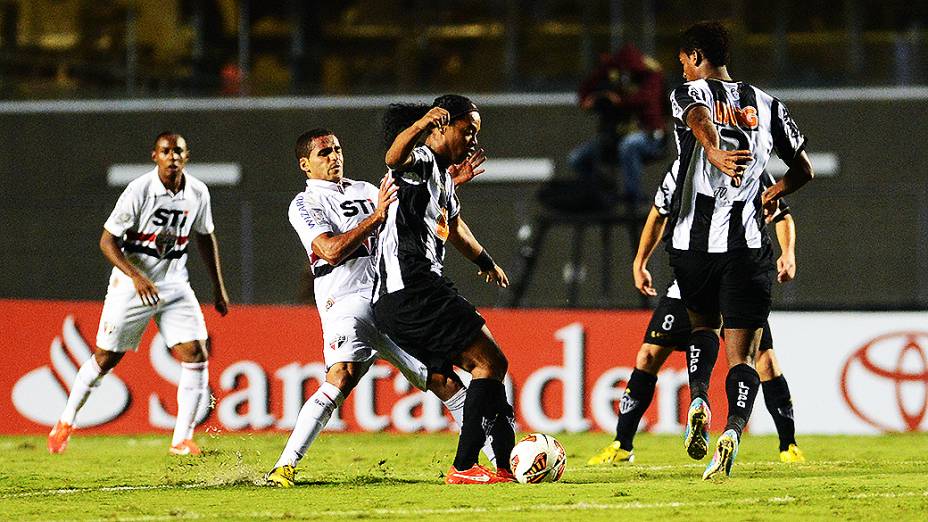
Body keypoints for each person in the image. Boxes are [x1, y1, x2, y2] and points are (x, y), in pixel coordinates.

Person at [265, 129, 492, 487]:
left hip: (389, 299)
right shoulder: (304, 204)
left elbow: (415, 211)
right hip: (345, 301)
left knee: (445, 381)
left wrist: (446, 183)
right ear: (305, 164)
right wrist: (376, 217)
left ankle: (500, 464)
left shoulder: (368, 191)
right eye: (325, 152)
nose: (335, 156)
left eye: (338, 148)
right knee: (340, 378)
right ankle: (284, 466)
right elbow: (329, 250)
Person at [664, 21, 814, 480]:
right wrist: (772, 193)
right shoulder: (768, 105)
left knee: (703, 327)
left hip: (692, 245)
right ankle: (731, 431)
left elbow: (697, 117)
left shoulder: (687, 91)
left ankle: (699, 401)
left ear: (694, 56)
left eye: (684, 61)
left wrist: (711, 150)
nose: (684, 70)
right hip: (748, 247)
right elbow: (803, 169)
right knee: (744, 356)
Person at [588, 170, 805, 466]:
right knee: (649, 356)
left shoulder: (751, 165)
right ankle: (622, 444)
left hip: (728, 277)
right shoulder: (684, 169)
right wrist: (640, 261)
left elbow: (782, 215)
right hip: (702, 282)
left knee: (764, 361)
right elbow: (658, 212)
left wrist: (788, 252)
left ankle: (787, 445)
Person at [47, 131, 230, 456]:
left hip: (174, 284)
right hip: (131, 287)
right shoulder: (140, 190)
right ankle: (66, 420)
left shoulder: (198, 192)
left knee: (196, 352)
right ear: (155, 156)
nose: (172, 156)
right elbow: (107, 240)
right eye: (166, 151)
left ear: (186, 157)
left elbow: (205, 236)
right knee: (106, 358)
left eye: (178, 151)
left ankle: (181, 439)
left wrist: (218, 286)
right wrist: (136, 276)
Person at [375, 95, 516, 485]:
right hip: (413, 290)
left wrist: (485, 261)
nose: (472, 140)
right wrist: (421, 124)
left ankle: (505, 464)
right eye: (467, 131)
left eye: (476, 133)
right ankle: (465, 465)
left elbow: (454, 228)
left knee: (481, 372)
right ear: (441, 127)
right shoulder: (418, 162)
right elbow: (393, 157)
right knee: (490, 362)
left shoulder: (440, 177)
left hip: (411, 295)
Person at [565, 43, 667, 208]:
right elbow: (585, 90)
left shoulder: (650, 75)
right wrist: (606, 72)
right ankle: (602, 190)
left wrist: (619, 101)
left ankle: (633, 196)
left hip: (650, 136)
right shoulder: (613, 73)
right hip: (616, 137)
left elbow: (644, 100)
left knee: (629, 146)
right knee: (577, 159)